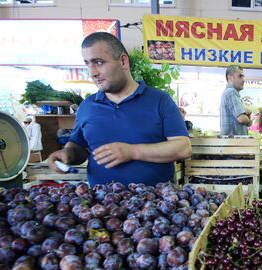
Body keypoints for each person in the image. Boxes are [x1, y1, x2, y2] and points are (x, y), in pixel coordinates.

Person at [48, 32, 190, 186]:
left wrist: (132, 152)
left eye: (99, 62)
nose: (93, 72)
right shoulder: (87, 106)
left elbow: (183, 148)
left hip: (155, 204)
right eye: (88, 63)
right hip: (100, 205)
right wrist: (67, 154)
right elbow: (78, 147)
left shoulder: (160, 100)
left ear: (123, 61)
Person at [219, 65, 252, 135]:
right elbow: (242, 119)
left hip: (232, 142)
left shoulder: (230, 93)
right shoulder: (231, 92)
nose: (243, 80)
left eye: (243, 76)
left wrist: (247, 117)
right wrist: (248, 119)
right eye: (240, 76)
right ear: (230, 78)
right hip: (234, 142)